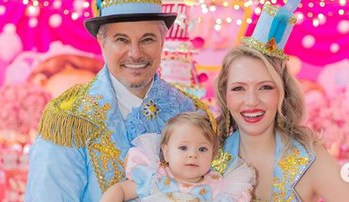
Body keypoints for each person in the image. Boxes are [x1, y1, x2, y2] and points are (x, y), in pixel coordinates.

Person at [25, 1, 213, 201]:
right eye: (122, 40)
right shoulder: (68, 118)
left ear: (162, 41)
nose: (135, 53)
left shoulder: (191, 111)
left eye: (147, 39)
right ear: (102, 41)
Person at [213, 2, 349, 201]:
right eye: (239, 89)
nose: (251, 101)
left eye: (265, 87)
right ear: (225, 95)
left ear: (283, 93)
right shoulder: (207, 153)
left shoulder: (309, 158)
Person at [100, 112, 255, 202]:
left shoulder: (217, 187)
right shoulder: (156, 177)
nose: (193, 155)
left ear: (213, 154)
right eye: (183, 148)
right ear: (166, 152)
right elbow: (120, 189)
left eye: (202, 149)